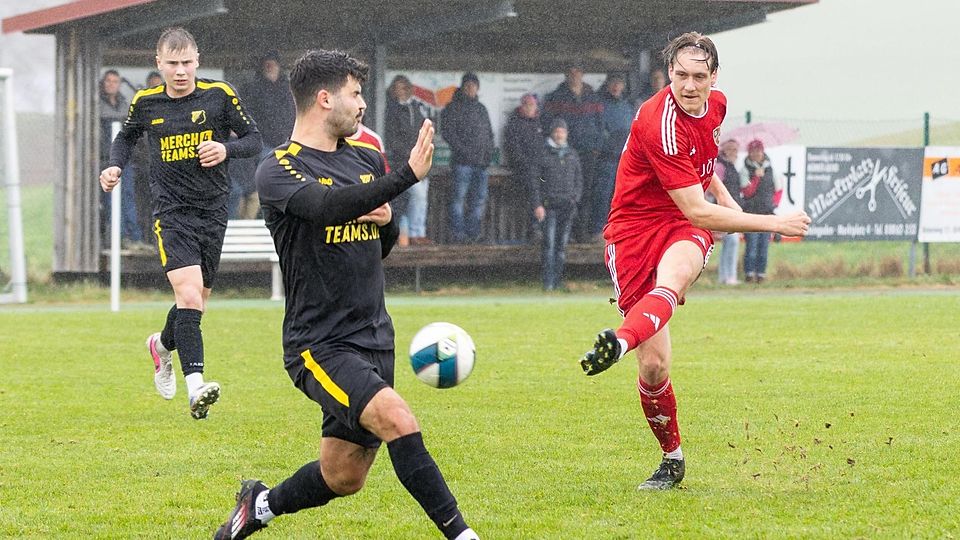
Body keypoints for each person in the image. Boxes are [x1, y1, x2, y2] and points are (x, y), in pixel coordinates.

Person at [212, 49, 478, 540]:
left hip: (376, 337)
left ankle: (259, 505)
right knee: (399, 418)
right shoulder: (277, 169)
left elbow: (381, 245)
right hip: (320, 345)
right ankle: (463, 535)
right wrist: (402, 180)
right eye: (355, 94)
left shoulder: (367, 158)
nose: (361, 104)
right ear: (324, 98)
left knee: (343, 476)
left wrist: (389, 218)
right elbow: (326, 208)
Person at [577, 32, 810, 490]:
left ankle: (618, 343)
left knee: (675, 276)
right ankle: (672, 457)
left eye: (699, 76)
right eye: (680, 75)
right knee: (655, 367)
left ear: (714, 77)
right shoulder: (655, 122)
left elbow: (704, 173)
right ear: (669, 74)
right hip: (632, 232)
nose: (689, 85)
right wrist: (772, 222)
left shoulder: (717, 106)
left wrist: (729, 200)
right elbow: (699, 210)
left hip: (681, 222)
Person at [99, 27, 262, 419]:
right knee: (188, 296)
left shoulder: (220, 96)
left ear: (197, 61)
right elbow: (125, 138)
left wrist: (225, 148)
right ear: (159, 63)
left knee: (196, 303)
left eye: (186, 62)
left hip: (212, 210)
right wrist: (113, 165)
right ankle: (196, 386)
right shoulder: (146, 102)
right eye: (172, 63)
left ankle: (161, 346)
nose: (180, 71)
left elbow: (254, 139)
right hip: (172, 213)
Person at [542, 65, 603, 242]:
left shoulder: (593, 96)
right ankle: (567, 235)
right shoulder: (556, 96)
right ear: (566, 75)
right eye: (571, 73)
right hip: (566, 154)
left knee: (586, 192)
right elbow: (547, 123)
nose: (574, 76)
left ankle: (582, 233)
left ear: (583, 75)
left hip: (588, 153)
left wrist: (596, 147)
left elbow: (601, 125)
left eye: (578, 73)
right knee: (567, 194)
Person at [440, 72, 494, 244]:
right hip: (461, 163)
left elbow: (489, 135)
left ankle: (474, 234)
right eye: (468, 85)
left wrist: (488, 155)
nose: (471, 89)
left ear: (478, 88)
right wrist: (464, 152)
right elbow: (449, 134)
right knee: (458, 199)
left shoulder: (481, 108)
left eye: (474, 85)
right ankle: (458, 235)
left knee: (478, 201)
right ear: (462, 87)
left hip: (481, 164)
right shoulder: (451, 108)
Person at [99, 69, 145, 248]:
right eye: (108, 81)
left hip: (125, 160)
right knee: (111, 199)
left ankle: (134, 237)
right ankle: (118, 237)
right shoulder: (97, 105)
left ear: (119, 85)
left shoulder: (125, 105)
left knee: (128, 196)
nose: (111, 84)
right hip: (106, 160)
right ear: (104, 83)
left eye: (115, 81)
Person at [534, 119, 582, 290]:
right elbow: (536, 182)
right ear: (552, 133)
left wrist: (575, 198)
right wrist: (538, 204)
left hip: (567, 206)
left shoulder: (572, 154)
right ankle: (547, 283)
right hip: (549, 206)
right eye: (556, 131)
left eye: (562, 131)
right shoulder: (543, 154)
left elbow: (579, 180)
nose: (559, 134)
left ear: (566, 134)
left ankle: (557, 281)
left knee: (561, 247)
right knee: (549, 245)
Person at [385, 74, 432, 245]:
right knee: (413, 196)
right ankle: (411, 233)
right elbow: (392, 137)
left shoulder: (417, 107)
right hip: (402, 162)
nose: (402, 91)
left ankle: (418, 232)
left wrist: (425, 150)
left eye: (404, 87)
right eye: (398, 87)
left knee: (422, 197)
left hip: (421, 159)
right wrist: (408, 153)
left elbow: (425, 130)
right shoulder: (391, 109)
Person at [593, 72, 634, 241]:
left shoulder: (627, 106)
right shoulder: (600, 104)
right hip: (606, 158)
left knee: (622, 196)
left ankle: (620, 230)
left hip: (624, 159)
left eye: (619, 83)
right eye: (613, 83)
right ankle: (598, 229)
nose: (616, 87)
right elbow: (597, 130)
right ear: (607, 84)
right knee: (602, 195)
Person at [503, 92, 544, 243]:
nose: (529, 108)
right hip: (522, 168)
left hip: (540, 168)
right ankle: (535, 228)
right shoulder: (514, 123)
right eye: (526, 105)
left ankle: (543, 226)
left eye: (532, 105)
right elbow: (513, 149)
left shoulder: (540, 123)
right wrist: (526, 163)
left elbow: (544, 146)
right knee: (533, 188)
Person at [740, 139, 779, 283]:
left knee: (764, 246)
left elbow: (778, 189)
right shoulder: (745, 170)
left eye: (758, 151)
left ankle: (761, 274)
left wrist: (773, 205)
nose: (756, 154)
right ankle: (749, 274)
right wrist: (756, 177)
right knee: (752, 246)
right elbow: (746, 191)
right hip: (751, 213)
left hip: (767, 213)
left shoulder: (771, 169)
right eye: (753, 151)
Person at [715, 138, 743, 285]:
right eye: (731, 149)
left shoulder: (732, 167)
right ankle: (728, 276)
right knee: (732, 240)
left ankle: (725, 276)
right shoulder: (720, 166)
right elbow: (714, 189)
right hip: (723, 209)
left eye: (736, 149)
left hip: (730, 209)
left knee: (731, 241)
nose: (734, 152)